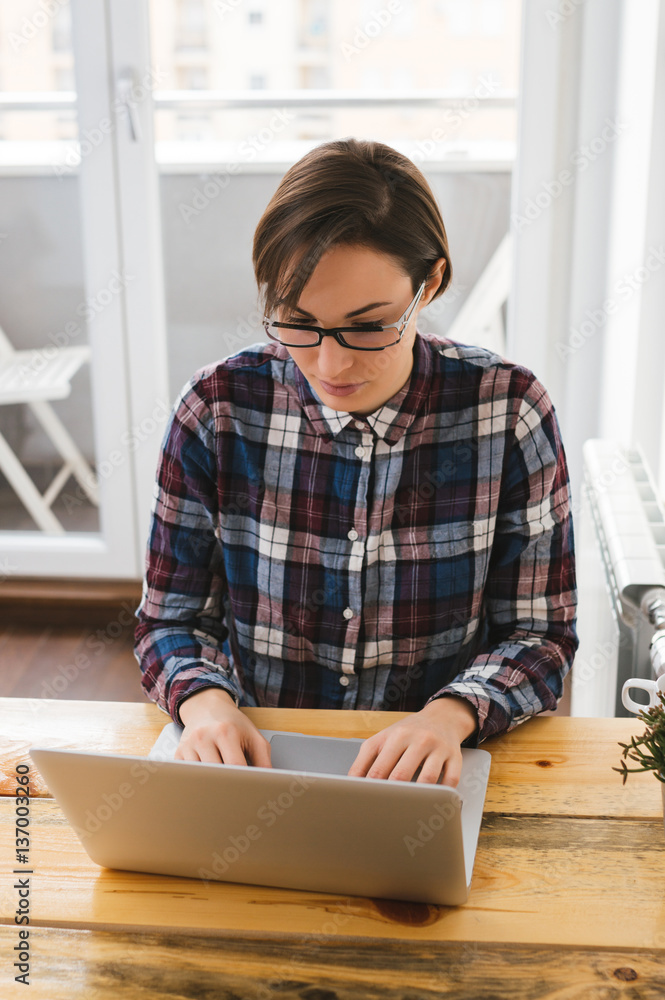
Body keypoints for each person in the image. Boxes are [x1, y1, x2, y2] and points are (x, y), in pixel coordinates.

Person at [134, 137, 578, 788]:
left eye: (368, 326)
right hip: (258, 765)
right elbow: (169, 618)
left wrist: (450, 715)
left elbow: (541, 634)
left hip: (435, 774)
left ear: (428, 283)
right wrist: (205, 707)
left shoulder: (509, 409)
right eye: (297, 322)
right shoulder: (217, 407)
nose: (329, 365)